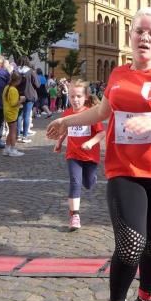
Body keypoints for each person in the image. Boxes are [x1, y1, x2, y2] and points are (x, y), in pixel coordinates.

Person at [46, 7, 151, 301]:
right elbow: (102, 111)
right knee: (130, 244)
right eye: (139, 31)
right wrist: (67, 122)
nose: (145, 37)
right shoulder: (118, 73)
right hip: (124, 171)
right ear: (130, 35)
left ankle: (144, 300)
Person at [53, 80, 106, 231]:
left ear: (86, 97)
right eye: (72, 96)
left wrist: (91, 142)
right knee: (75, 182)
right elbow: (64, 130)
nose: (75, 100)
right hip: (73, 154)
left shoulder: (91, 114)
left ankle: (91, 178)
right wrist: (59, 142)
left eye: (78, 96)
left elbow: (101, 133)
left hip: (90, 156)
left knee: (88, 183)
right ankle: (74, 216)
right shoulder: (67, 114)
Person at [16, 57, 39, 143]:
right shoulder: (31, 71)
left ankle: (17, 135)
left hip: (18, 95)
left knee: (19, 115)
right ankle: (25, 136)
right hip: (29, 95)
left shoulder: (15, 71)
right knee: (26, 115)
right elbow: (37, 84)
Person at [2, 71, 25, 157]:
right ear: (18, 80)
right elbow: (14, 104)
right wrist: (21, 100)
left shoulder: (7, 87)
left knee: (11, 131)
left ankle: (7, 148)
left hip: (7, 112)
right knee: (13, 131)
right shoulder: (13, 90)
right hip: (12, 113)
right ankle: (12, 149)